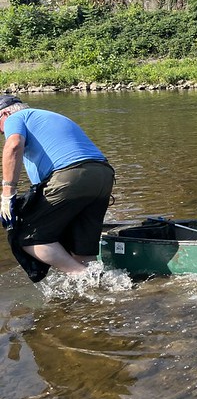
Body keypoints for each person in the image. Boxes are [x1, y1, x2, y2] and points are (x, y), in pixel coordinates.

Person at [0, 95, 115, 281]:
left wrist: (7, 194)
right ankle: (99, 287)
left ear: (5, 112)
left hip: (71, 176)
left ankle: (86, 277)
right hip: (103, 175)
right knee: (81, 250)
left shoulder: (15, 118)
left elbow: (13, 146)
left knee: (27, 237)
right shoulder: (48, 116)